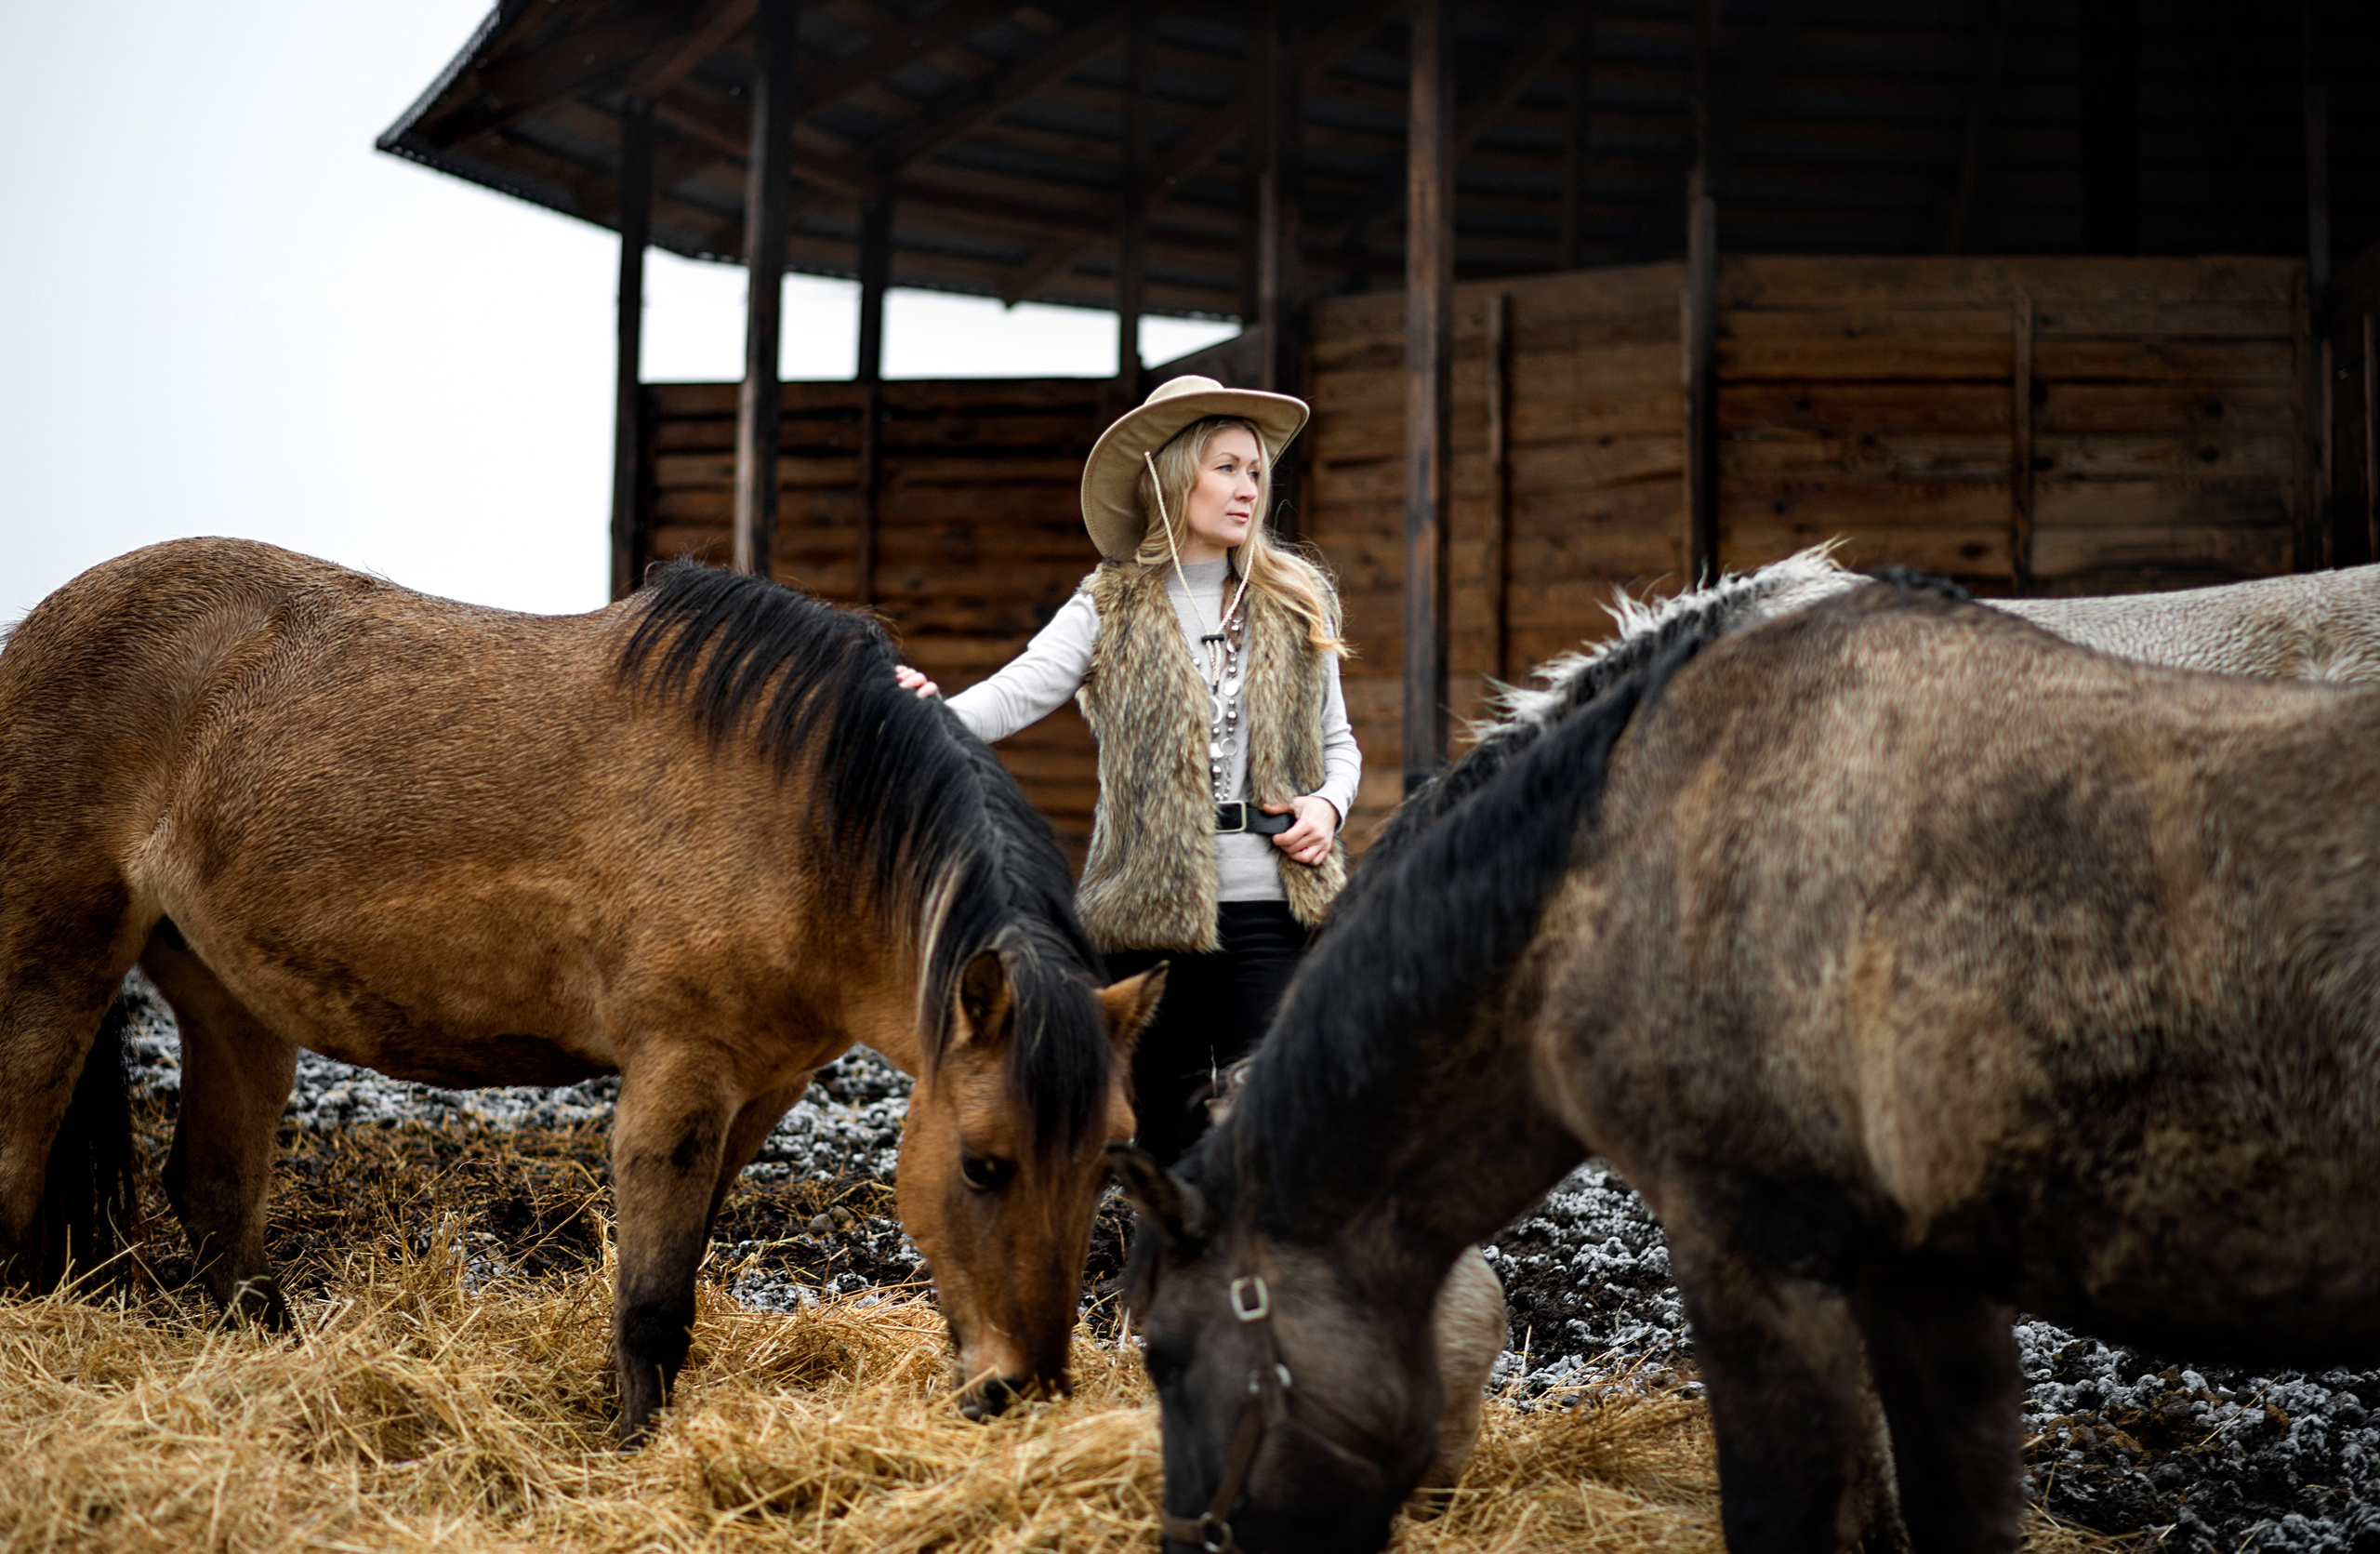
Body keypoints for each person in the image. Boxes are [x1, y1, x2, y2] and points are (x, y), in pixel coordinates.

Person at [897, 376, 1359, 1163]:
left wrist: (1328, 808)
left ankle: (1265, 1287)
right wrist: (929, 711)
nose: (1248, 488)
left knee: (1282, 1130)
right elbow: (1015, 695)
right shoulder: (1107, 604)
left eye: (1255, 471)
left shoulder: (1296, 600)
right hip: (1145, 921)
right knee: (1166, 1137)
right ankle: (1165, 1286)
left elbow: (1340, 743)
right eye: (1226, 468)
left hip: (1276, 913)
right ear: (1172, 474)